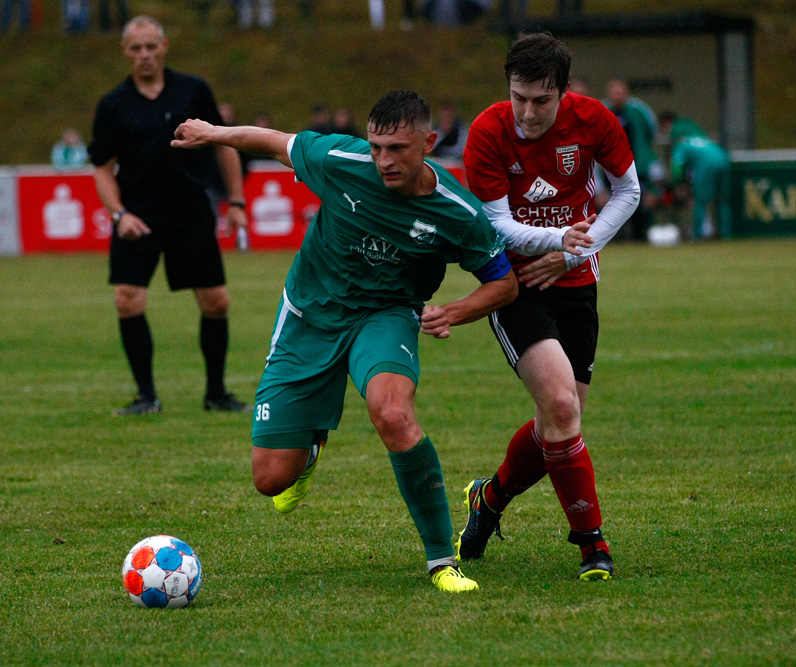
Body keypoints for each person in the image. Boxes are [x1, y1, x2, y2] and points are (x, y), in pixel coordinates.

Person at [171, 90, 518, 594]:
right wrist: (213, 133)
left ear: (429, 142)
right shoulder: (341, 159)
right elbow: (275, 143)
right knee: (270, 480)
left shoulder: (456, 211)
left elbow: (503, 283)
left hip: (386, 315)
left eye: (398, 148)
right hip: (310, 315)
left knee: (393, 414)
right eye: (376, 147)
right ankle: (309, 447)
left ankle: (442, 560)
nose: (384, 160)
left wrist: (455, 311)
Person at [458, 32, 640, 581]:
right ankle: (591, 543)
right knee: (562, 409)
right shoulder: (488, 132)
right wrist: (561, 241)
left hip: (576, 280)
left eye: (541, 99)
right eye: (519, 97)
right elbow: (495, 223)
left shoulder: (594, 120)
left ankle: (488, 499)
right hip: (514, 286)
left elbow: (627, 192)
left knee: (559, 417)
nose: (528, 111)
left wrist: (576, 250)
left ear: (563, 92)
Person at [89, 16, 249, 416]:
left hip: (190, 208)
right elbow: (102, 168)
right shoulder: (112, 104)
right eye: (135, 48)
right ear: (125, 52)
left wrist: (237, 203)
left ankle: (217, 394)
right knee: (128, 300)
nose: (144, 55)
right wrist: (119, 214)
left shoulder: (193, 91)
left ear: (164, 47)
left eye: (150, 46)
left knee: (216, 301)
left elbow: (224, 145)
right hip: (138, 214)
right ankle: (146, 397)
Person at [603, 79, 659, 241]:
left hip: (637, 167)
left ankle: (639, 236)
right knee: (611, 205)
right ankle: (615, 238)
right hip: (610, 168)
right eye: (614, 92)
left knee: (639, 203)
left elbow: (650, 135)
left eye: (620, 92)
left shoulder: (639, 111)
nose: (617, 96)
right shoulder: (603, 110)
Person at [670, 134, 732, 240]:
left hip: (707, 165)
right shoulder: (699, 139)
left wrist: (678, 185)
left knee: (700, 201)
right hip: (724, 159)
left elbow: (677, 168)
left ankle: (697, 235)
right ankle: (726, 234)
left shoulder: (681, 145)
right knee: (723, 199)